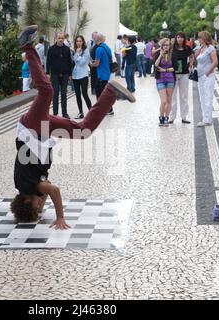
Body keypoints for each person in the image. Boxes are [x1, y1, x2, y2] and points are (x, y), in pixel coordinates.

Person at [12, 25, 135, 229]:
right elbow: (48, 187)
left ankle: (27, 47)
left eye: (38, 206)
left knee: (46, 91)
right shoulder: (29, 184)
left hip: (32, 129)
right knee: (84, 130)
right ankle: (110, 93)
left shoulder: (29, 186)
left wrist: (60, 217)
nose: (42, 206)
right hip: (42, 132)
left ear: (27, 200)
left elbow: (54, 190)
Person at [46, 32, 73, 118]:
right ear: (56, 39)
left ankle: (65, 113)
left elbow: (69, 62)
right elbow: (48, 62)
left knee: (64, 94)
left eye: (62, 38)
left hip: (65, 74)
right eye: (59, 38)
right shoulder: (51, 49)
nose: (61, 39)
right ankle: (55, 113)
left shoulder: (67, 49)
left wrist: (70, 74)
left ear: (64, 39)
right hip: (55, 74)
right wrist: (47, 73)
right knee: (56, 93)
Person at [169, 32, 193, 124]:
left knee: (184, 96)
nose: (180, 39)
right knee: (173, 96)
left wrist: (191, 63)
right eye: (178, 37)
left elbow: (191, 56)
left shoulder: (187, 48)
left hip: (184, 73)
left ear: (184, 38)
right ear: (176, 38)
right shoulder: (172, 48)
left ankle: (184, 116)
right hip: (173, 73)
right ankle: (172, 117)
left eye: (182, 37)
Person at [195, 31, 218, 127]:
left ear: (204, 38)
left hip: (208, 76)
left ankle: (208, 120)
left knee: (208, 97)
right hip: (200, 76)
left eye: (200, 37)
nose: (198, 39)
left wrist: (207, 73)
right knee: (202, 97)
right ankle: (205, 118)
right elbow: (196, 58)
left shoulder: (210, 48)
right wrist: (199, 49)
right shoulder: (202, 48)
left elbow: (215, 61)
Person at [91, 33, 114, 115]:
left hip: (101, 74)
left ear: (97, 39)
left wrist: (91, 64)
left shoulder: (99, 49)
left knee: (99, 92)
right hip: (107, 73)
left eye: (94, 39)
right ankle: (109, 109)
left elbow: (97, 63)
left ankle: (103, 110)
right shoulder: (107, 47)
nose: (93, 40)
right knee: (105, 93)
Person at [154, 38, 175, 127]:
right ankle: (161, 118)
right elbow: (155, 65)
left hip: (170, 79)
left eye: (168, 45)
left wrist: (165, 70)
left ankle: (166, 117)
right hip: (160, 79)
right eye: (164, 45)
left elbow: (175, 67)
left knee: (169, 100)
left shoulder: (173, 54)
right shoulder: (158, 53)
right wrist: (160, 55)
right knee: (164, 101)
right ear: (162, 46)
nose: (166, 46)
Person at [72, 35, 92, 119]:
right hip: (75, 75)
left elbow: (82, 62)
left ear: (83, 42)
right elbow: (74, 60)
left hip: (83, 75)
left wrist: (78, 54)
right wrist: (77, 54)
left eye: (80, 41)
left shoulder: (86, 51)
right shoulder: (75, 51)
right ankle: (81, 112)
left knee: (84, 94)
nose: (78, 43)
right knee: (77, 95)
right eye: (77, 41)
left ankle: (91, 111)